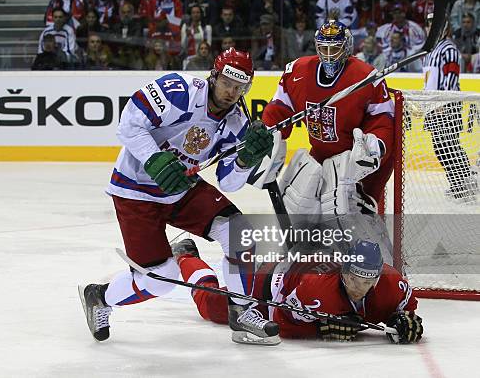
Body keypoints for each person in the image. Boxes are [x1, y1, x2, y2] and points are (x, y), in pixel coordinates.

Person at [79, 48, 280, 346]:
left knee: (238, 231)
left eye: (239, 87)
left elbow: (228, 181)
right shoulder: (179, 90)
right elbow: (130, 123)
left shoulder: (238, 124)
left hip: (180, 187)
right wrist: (154, 159)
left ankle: (241, 309)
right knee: (158, 280)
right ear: (214, 76)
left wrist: (245, 160)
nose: (231, 92)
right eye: (227, 82)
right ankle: (99, 296)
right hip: (136, 190)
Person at [172, 238, 424, 343]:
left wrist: (402, 321)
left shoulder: (394, 284)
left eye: (368, 280)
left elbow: (408, 309)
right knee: (210, 303)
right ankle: (185, 255)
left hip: (299, 266)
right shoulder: (317, 289)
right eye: (353, 278)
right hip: (268, 289)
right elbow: (278, 318)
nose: (360, 288)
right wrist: (318, 328)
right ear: (343, 271)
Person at [262, 20, 395, 211]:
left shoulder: (367, 77)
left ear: (346, 48)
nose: (329, 55)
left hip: (356, 162)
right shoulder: (298, 72)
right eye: (324, 48)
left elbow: (382, 118)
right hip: (320, 155)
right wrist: (266, 135)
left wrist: (376, 143)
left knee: (349, 215)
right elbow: (280, 109)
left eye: (335, 49)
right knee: (298, 205)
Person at [422, 12, 477, 202]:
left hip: (446, 105)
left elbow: (451, 76)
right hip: (434, 105)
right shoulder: (430, 51)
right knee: (440, 147)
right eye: (429, 24)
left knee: (450, 145)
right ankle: (458, 184)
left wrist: (443, 101)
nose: (431, 27)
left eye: (435, 24)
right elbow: (429, 80)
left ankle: (463, 184)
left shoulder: (449, 49)